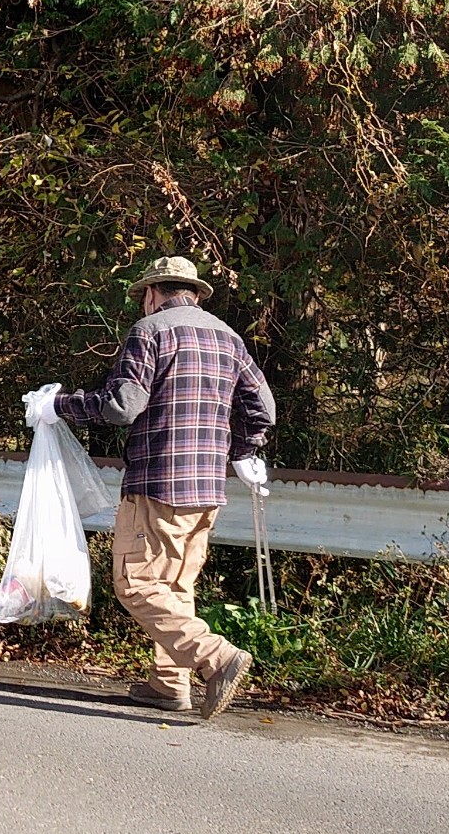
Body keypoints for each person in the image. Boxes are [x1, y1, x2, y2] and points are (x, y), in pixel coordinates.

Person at [41, 255, 275, 721]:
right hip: (208, 486)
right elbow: (262, 407)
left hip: (158, 482)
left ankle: (217, 657)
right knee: (175, 585)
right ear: (194, 294)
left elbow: (122, 406)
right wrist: (244, 450)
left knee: (136, 583)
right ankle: (169, 685)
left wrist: (58, 405)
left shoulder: (149, 332)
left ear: (151, 293)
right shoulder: (229, 338)